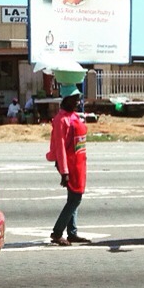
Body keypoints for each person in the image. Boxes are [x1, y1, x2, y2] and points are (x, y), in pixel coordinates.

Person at [46, 85, 90, 246]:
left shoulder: (73, 116)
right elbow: (60, 147)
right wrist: (64, 171)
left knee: (73, 197)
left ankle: (72, 233)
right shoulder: (61, 120)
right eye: (75, 98)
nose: (78, 101)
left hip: (78, 162)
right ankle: (57, 233)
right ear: (66, 99)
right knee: (75, 199)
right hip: (69, 164)